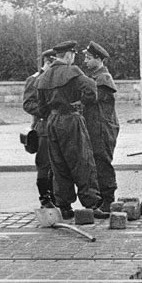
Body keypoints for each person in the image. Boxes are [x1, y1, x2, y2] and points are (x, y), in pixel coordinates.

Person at [36, 40, 109, 220]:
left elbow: (40, 107)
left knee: (58, 165)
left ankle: (64, 206)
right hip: (71, 119)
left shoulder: (43, 77)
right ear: (68, 55)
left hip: (52, 122)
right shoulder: (72, 71)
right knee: (83, 162)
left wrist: (51, 113)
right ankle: (91, 204)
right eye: (74, 55)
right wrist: (81, 101)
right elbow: (91, 88)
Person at [82, 41, 119, 212]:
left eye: (88, 58)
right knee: (95, 162)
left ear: (98, 59)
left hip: (103, 127)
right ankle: (100, 198)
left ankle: (108, 199)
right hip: (94, 125)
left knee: (103, 161)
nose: (85, 61)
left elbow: (91, 98)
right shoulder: (94, 77)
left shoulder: (103, 78)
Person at [23, 48, 56, 208]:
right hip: (43, 128)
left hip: (57, 126)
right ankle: (45, 199)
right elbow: (28, 104)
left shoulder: (55, 78)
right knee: (44, 164)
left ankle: (56, 197)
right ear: (48, 62)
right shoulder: (34, 80)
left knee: (58, 165)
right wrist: (45, 109)